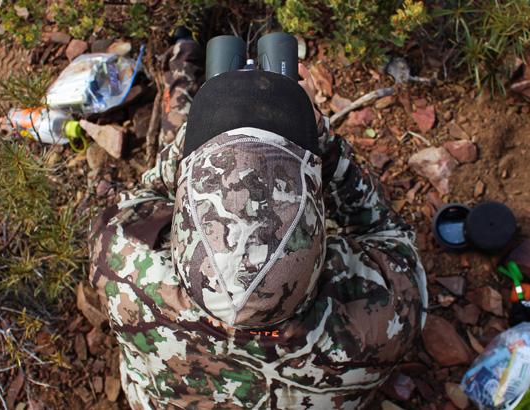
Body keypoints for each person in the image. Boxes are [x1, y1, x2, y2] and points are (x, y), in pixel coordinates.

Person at [88, 33, 428, 409]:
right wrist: (327, 148)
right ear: (319, 249)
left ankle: (183, 50)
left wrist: (191, 147)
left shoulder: (122, 265)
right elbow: (386, 233)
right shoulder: (382, 318)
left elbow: (149, 193)